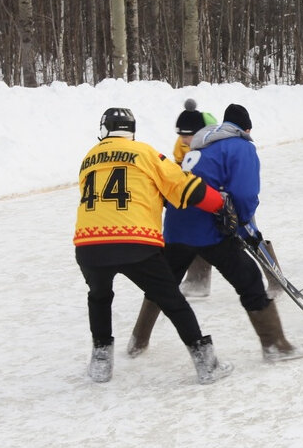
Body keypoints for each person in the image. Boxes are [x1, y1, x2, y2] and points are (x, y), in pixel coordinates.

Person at [128, 104, 303, 364]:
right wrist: (244, 225)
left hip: (177, 225)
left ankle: (138, 341)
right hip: (209, 227)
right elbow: (244, 193)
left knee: (163, 284)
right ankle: (275, 345)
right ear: (246, 129)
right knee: (249, 281)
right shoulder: (242, 147)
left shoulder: (201, 145)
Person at [74, 107, 234, 385]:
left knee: (99, 297)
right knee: (171, 300)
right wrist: (219, 204)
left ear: (104, 130)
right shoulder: (145, 153)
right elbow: (184, 187)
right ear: (131, 131)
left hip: (90, 243)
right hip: (136, 241)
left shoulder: (89, 157)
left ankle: (101, 360)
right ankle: (206, 363)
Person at [173, 99, 219, 299]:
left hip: (221, 195)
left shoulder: (215, 144)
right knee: (193, 231)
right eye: (180, 135)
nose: (183, 140)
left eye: (187, 135)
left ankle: (274, 276)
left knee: (248, 236)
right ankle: (198, 281)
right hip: (198, 194)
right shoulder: (181, 145)